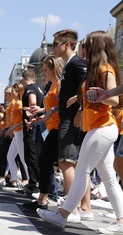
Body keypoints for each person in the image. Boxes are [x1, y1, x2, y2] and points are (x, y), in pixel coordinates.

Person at [37, 30, 123, 234]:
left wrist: (96, 98)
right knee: (108, 178)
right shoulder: (96, 69)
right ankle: (121, 221)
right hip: (99, 127)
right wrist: (78, 99)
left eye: (87, 44)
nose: (83, 48)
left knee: (82, 171)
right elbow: (94, 93)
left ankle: (63, 214)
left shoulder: (104, 69)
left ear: (96, 46)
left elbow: (114, 100)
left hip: (102, 127)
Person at [50, 29, 91, 222]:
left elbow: (91, 82)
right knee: (79, 165)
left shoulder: (76, 63)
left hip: (72, 119)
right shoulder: (69, 65)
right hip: (69, 116)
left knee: (66, 161)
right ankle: (85, 207)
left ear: (67, 44)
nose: (53, 48)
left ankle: (72, 210)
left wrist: (81, 109)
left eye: (56, 44)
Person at [22, 55, 64, 210]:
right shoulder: (53, 85)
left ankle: (49, 198)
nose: (44, 72)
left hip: (58, 128)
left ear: (54, 69)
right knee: (46, 162)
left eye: (46, 69)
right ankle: (44, 199)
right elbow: (49, 108)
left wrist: (45, 111)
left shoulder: (60, 84)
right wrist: (37, 116)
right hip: (51, 127)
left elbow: (61, 106)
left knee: (57, 164)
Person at [20, 69, 44, 195]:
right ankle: (35, 183)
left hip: (31, 127)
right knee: (33, 156)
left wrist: (30, 118)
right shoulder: (39, 88)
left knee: (31, 157)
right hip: (37, 125)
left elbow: (33, 101)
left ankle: (34, 184)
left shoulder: (29, 88)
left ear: (24, 78)